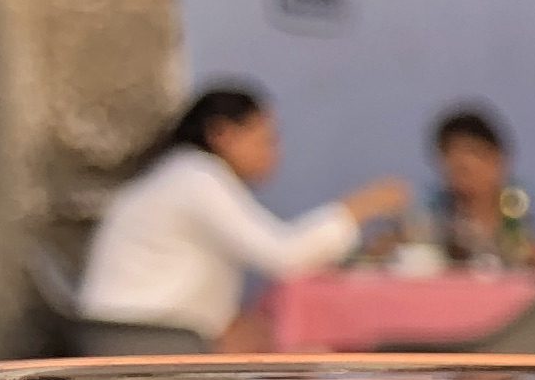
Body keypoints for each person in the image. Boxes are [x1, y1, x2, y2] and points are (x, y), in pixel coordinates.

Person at [76, 86, 405, 354]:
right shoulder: (196, 178)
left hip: (135, 331)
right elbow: (284, 255)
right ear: (222, 133)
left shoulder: (183, 174)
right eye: (265, 139)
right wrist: (362, 206)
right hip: (145, 336)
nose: (273, 153)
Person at [429, 107, 535, 268]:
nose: (464, 166)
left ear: (498, 159)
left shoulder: (527, 210)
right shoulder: (435, 212)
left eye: (474, 154)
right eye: (452, 159)